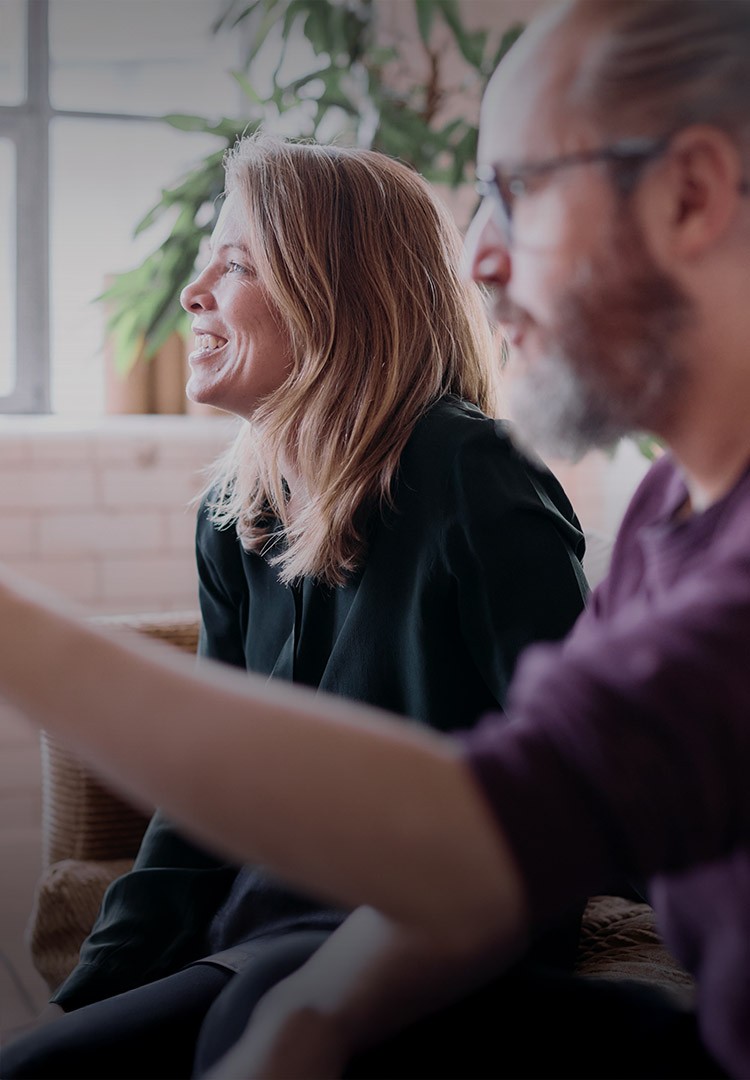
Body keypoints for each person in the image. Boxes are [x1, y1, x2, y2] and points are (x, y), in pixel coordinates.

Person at [1, 0, 748, 1075]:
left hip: (436, 951)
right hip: (308, 944)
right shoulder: (664, 519)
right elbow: (543, 793)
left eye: (516, 191)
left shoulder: (475, 473)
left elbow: (503, 832)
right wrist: (303, 1014)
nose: (480, 258)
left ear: (692, 193)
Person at [0, 133, 590, 1079]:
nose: (193, 294)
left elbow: (574, 776)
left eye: (233, 265)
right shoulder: (234, 512)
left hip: (429, 940)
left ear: (336, 292)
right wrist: (88, 998)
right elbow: (203, 797)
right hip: (264, 933)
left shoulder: (473, 474)